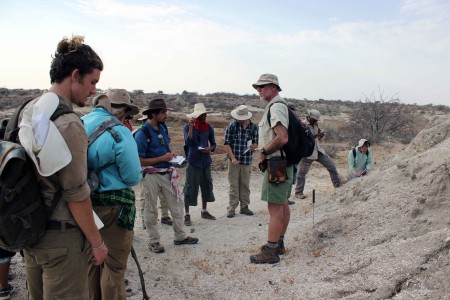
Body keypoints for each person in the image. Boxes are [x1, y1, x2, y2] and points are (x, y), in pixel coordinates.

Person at [12, 35, 108, 299]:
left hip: (29, 232)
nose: (93, 91)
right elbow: (76, 193)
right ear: (75, 75)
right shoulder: (68, 123)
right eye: (92, 82)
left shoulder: (28, 111)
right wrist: (97, 243)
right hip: (62, 238)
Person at [82, 89, 142, 299]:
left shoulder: (78, 123)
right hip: (113, 208)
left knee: (91, 264)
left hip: (82, 205)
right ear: (122, 111)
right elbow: (133, 176)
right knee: (114, 267)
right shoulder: (120, 131)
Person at [135, 99, 198, 254]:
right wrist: (161, 159)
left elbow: (165, 146)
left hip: (167, 173)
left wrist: (170, 155)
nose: (166, 115)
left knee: (176, 206)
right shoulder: (142, 134)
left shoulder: (162, 127)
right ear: (154, 113)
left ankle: (180, 236)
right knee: (151, 209)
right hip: (151, 176)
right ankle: (154, 241)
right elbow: (139, 159)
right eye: (163, 112)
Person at [250, 73, 292, 264]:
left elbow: (282, 137)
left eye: (262, 86)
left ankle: (272, 251)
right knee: (281, 204)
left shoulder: (276, 107)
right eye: (257, 87)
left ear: (274, 87)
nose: (258, 90)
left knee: (275, 207)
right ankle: (278, 243)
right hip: (282, 163)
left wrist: (264, 151)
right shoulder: (279, 106)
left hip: (277, 164)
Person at [294, 109, 341, 199]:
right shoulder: (302, 125)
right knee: (301, 173)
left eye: (316, 120)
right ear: (309, 117)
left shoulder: (316, 125)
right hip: (307, 153)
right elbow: (303, 140)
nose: (315, 121)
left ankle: (338, 186)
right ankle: (298, 192)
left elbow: (317, 139)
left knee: (331, 166)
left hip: (318, 150)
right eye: (314, 119)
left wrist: (321, 136)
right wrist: (317, 135)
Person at [183, 103, 217, 226]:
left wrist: (209, 149)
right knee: (190, 186)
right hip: (193, 160)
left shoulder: (208, 128)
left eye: (204, 115)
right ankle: (187, 214)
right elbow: (188, 143)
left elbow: (213, 144)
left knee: (206, 185)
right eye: (200, 115)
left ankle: (204, 211)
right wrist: (191, 127)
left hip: (205, 161)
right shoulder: (187, 127)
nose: (203, 117)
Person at [224, 105, 259, 218]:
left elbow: (256, 142)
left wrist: (254, 146)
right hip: (234, 160)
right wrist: (233, 158)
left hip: (246, 159)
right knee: (233, 185)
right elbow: (227, 143)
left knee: (245, 185)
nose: (239, 119)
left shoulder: (254, 127)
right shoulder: (232, 126)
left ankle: (244, 207)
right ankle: (232, 208)